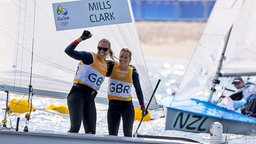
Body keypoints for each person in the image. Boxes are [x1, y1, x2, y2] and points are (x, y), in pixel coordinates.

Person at [64, 30, 114, 134]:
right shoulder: (89, 57)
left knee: (91, 132)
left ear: (109, 51)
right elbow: (68, 51)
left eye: (105, 49)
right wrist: (81, 39)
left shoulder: (108, 66)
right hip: (77, 95)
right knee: (75, 129)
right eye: (99, 48)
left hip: (90, 100)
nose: (101, 51)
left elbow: (122, 68)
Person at [107, 48, 148, 137]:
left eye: (126, 58)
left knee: (127, 135)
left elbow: (138, 90)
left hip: (127, 106)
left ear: (130, 60)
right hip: (113, 105)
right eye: (121, 57)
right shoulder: (112, 67)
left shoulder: (133, 72)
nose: (123, 59)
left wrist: (142, 106)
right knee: (112, 136)